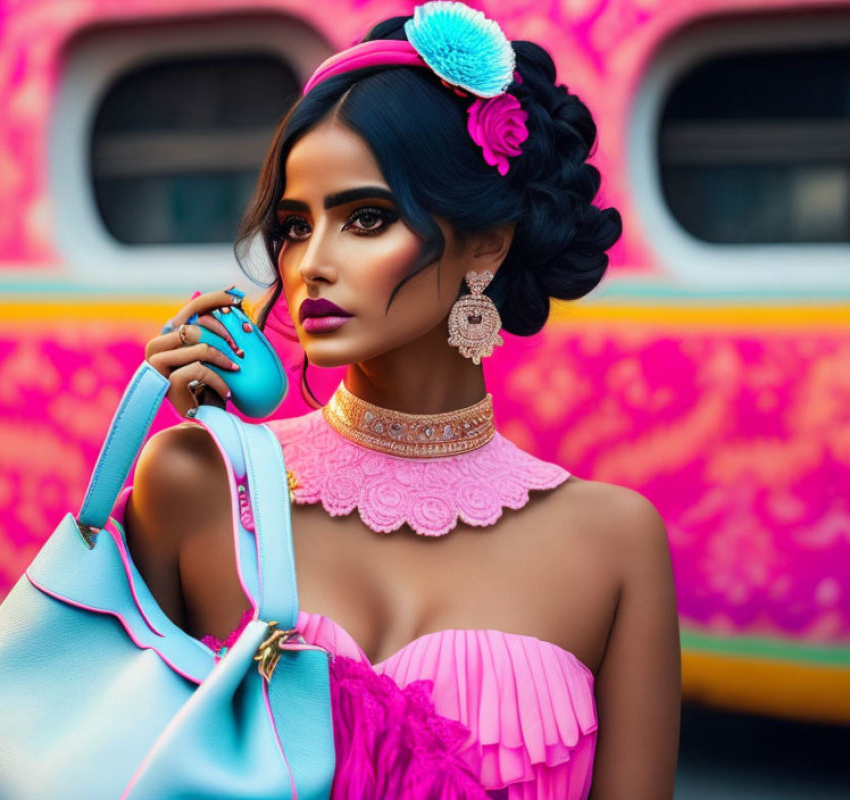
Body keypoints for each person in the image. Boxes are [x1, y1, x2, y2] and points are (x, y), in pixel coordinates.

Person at [126, 3, 681, 798]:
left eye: (367, 218)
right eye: (292, 226)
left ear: (487, 242)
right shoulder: (196, 481)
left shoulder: (616, 542)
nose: (310, 263)